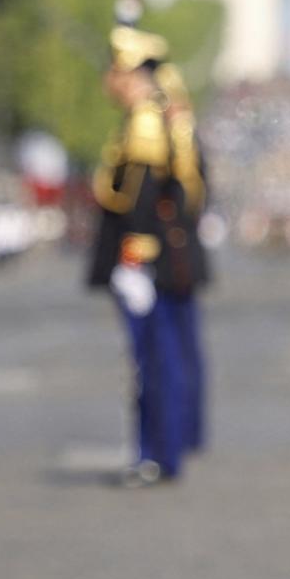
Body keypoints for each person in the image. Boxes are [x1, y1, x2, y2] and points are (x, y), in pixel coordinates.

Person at [87, 25, 205, 485]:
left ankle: (154, 453)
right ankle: (162, 450)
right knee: (161, 360)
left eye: (118, 70)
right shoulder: (160, 116)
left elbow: (140, 202)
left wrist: (134, 259)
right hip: (160, 262)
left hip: (146, 264)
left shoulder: (145, 122)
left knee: (152, 364)